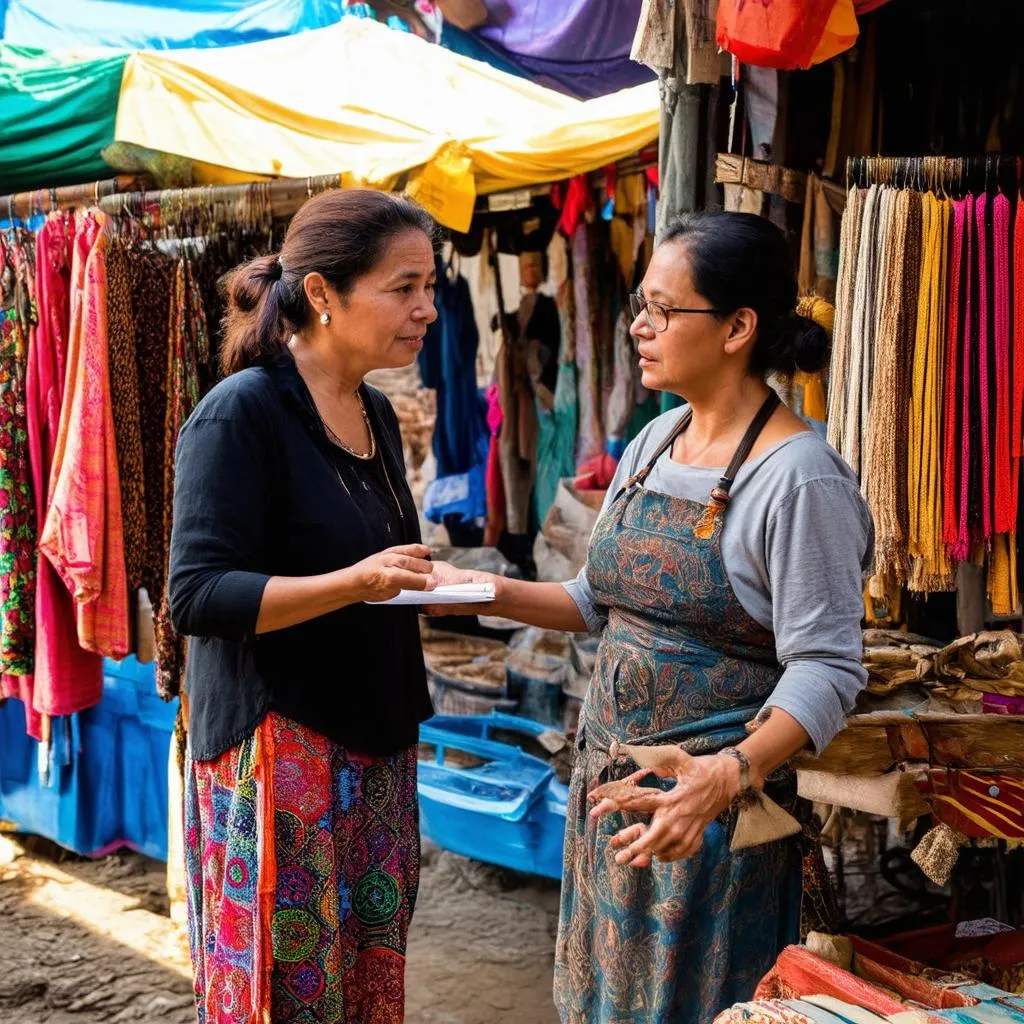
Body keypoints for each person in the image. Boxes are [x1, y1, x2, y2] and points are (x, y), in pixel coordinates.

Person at [432, 211, 874, 1023]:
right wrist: (470, 589)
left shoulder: (801, 479)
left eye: (664, 310)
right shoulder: (654, 443)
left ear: (739, 326)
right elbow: (594, 604)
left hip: (713, 822)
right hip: (609, 796)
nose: (640, 325)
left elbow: (829, 668)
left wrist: (726, 773)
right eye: (641, 304)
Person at [168, 189, 440, 1024]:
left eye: (431, 286)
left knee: (363, 982)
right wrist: (354, 582)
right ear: (322, 294)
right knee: (286, 994)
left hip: (376, 746)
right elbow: (198, 594)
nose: (426, 309)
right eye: (404, 288)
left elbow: (376, 564)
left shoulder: (376, 412)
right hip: (280, 758)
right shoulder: (241, 413)